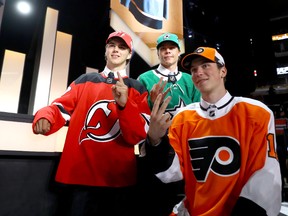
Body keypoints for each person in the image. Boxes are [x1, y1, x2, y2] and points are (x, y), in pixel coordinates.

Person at [141, 47, 282, 215]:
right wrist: (155, 141)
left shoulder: (256, 113)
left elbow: (265, 176)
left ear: (223, 71)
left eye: (205, 66)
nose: (198, 72)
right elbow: (169, 172)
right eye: (193, 70)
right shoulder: (182, 118)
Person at [32, 31, 150, 216]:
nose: (116, 50)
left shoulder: (137, 88)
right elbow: (59, 108)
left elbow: (138, 134)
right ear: (105, 50)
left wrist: (125, 105)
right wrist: (45, 116)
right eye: (112, 45)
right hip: (81, 178)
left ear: (129, 54)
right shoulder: (84, 81)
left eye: (122, 47)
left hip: (118, 179)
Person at [137, 33, 201, 215]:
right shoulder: (145, 78)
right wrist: (150, 103)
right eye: (163, 49)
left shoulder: (190, 79)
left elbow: (198, 110)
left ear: (178, 52)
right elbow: (141, 116)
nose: (167, 52)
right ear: (158, 53)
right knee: (159, 200)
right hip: (159, 148)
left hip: (188, 147)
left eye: (171, 48)